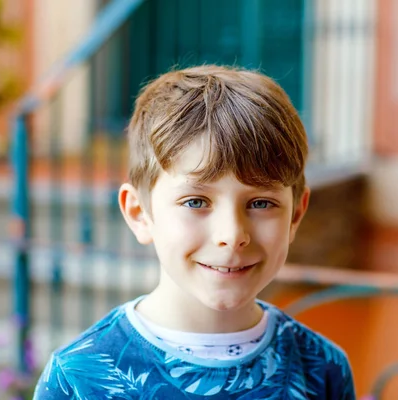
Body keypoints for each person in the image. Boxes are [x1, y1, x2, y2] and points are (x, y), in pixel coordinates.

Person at [33, 65, 356, 399]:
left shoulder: (324, 369)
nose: (232, 235)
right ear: (139, 213)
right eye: (196, 201)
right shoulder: (78, 380)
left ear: (296, 215)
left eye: (260, 203)